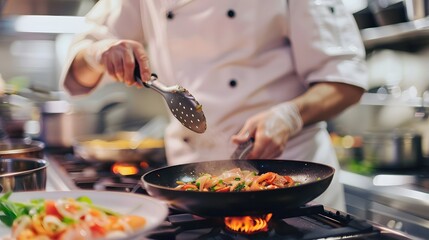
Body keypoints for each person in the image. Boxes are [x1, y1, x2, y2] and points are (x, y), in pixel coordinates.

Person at [60, 0, 368, 211]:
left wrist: (291, 115)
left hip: (291, 183)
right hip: (190, 192)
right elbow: (78, 73)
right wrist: (97, 54)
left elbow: (345, 80)